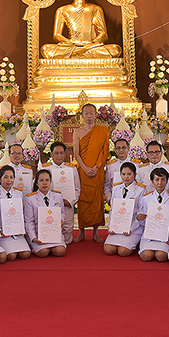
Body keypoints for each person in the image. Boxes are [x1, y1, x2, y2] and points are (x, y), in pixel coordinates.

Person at [74, 103, 110, 243]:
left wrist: (96, 167)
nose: (89, 116)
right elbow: (76, 154)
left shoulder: (103, 131)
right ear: (82, 115)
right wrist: (84, 168)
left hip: (97, 171)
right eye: (86, 113)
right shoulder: (77, 132)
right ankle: (81, 232)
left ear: (96, 115)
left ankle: (95, 232)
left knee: (97, 200)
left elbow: (104, 151)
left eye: (92, 113)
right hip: (83, 171)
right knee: (83, 201)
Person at [0, 165, 31, 261]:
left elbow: (22, 212)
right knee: (12, 256)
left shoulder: (19, 193)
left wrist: (22, 227)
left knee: (26, 254)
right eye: (6, 177)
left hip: (17, 232)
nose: (9, 180)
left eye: (11, 177)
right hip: (3, 233)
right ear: (0, 178)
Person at [41, 141, 81, 244]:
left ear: (65, 154)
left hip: (67, 204)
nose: (59, 156)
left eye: (62, 153)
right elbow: (40, 188)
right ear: (51, 154)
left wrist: (71, 201)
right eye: (56, 153)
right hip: (51, 206)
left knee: (67, 230)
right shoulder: (45, 168)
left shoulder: (71, 168)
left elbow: (77, 188)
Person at [104, 162, 146, 257]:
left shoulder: (141, 190)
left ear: (135, 174)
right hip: (118, 226)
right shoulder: (116, 188)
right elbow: (113, 210)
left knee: (123, 252)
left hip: (133, 227)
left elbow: (141, 212)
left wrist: (131, 229)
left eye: (129, 174)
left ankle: (136, 242)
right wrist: (111, 226)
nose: (126, 177)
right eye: (123, 174)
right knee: (108, 249)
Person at [24, 170, 67, 257]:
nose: (44, 183)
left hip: (54, 232)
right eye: (41, 180)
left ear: (50, 182)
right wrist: (33, 237)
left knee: (60, 251)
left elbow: (62, 213)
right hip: (38, 233)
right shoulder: (30, 199)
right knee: (43, 253)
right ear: (36, 183)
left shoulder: (58, 196)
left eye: (47, 180)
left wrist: (61, 220)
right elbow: (29, 221)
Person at [137, 168, 169, 262]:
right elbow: (142, 219)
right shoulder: (146, 198)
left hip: (166, 235)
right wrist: (140, 218)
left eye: (163, 179)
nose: (160, 183)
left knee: (161, 256)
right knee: (146, 256)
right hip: (150, 235)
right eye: (157, 180)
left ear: (167, 181)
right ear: (152, 182)